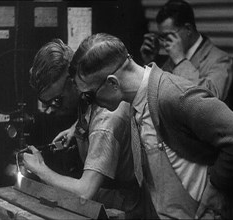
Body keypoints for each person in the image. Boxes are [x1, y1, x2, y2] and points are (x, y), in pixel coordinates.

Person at [72, 33, 233, 219]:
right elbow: (160, 182)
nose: (91, 104)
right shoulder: (137, 102)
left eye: (89, 96)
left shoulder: (172, 95)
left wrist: (217, 187)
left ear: (112, 83)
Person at [23, 39, 144, 218]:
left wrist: (40, 169)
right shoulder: (90, 97)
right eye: (46, 103)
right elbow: (93, 113)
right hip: (111, 196)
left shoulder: (106, 121)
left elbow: (85, 191)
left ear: (73, 80)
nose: (51, 109)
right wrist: (75, 128)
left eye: (57, 100)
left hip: (127, 208)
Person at [140, 0, 233, 101]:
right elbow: (155, 94)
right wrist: (149, 62)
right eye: (162, 37)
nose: (164, 43)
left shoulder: (221, 60)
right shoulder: (173, 58)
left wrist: (180, 61)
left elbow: (211, 98)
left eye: (169, 36)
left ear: (188, 29)